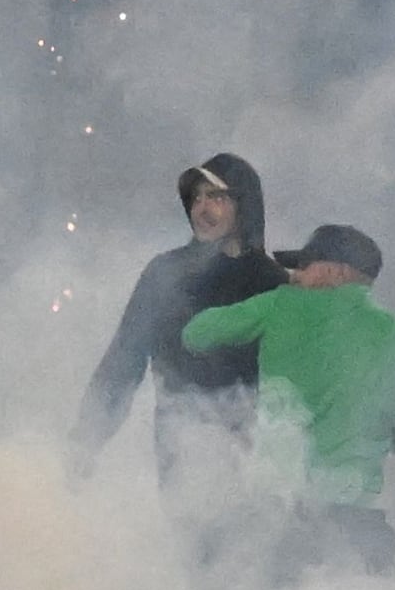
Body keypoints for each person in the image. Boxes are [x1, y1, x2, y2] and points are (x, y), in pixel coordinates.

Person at [180, 225, 395, 577]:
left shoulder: (281, 304)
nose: (296, 275)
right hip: (356, 521)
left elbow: (197, 333)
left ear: (335, 271)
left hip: (275, 510)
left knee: (215, 583)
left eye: (304, 266)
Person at [70, 153, 281, 499]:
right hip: (181, 449)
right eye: (196, 198)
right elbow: (125, 358)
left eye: (216, 197)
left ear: (244, 205)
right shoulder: (166, 274)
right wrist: (86, 437)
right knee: (190, 543)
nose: (202, 208)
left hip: (256, 456)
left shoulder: (271, 282)